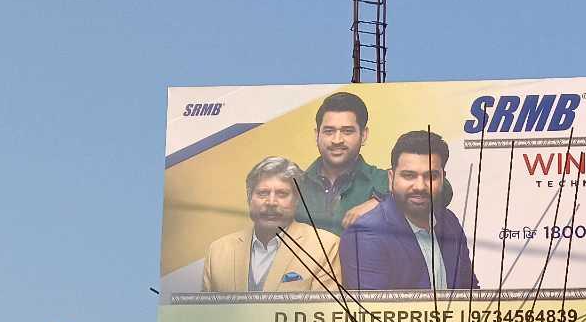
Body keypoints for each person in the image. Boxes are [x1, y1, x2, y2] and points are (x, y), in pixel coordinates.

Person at [341, 130, 478, 292]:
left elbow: (471, 293)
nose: (420, 186)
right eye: (409, 175)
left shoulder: (449, 221)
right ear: (391, 178)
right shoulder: (365, 235)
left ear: (442, 178)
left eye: (431, 176)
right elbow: (372, 307)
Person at [202, 158, 341, 293]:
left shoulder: (324, 246)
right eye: (263, 193)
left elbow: (323, 308)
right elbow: (204, 309)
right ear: (249, 198)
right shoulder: (218, 251)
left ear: (297, 200)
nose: (271, 202)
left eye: (282, 194)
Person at [296, 91, 391, 233]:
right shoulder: (295, 185)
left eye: (347, 131)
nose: (337, 140)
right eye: (329, 131)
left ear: (364, 135)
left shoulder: (385, 181)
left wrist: (382, 203)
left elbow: (421, 199)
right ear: (317, 135)